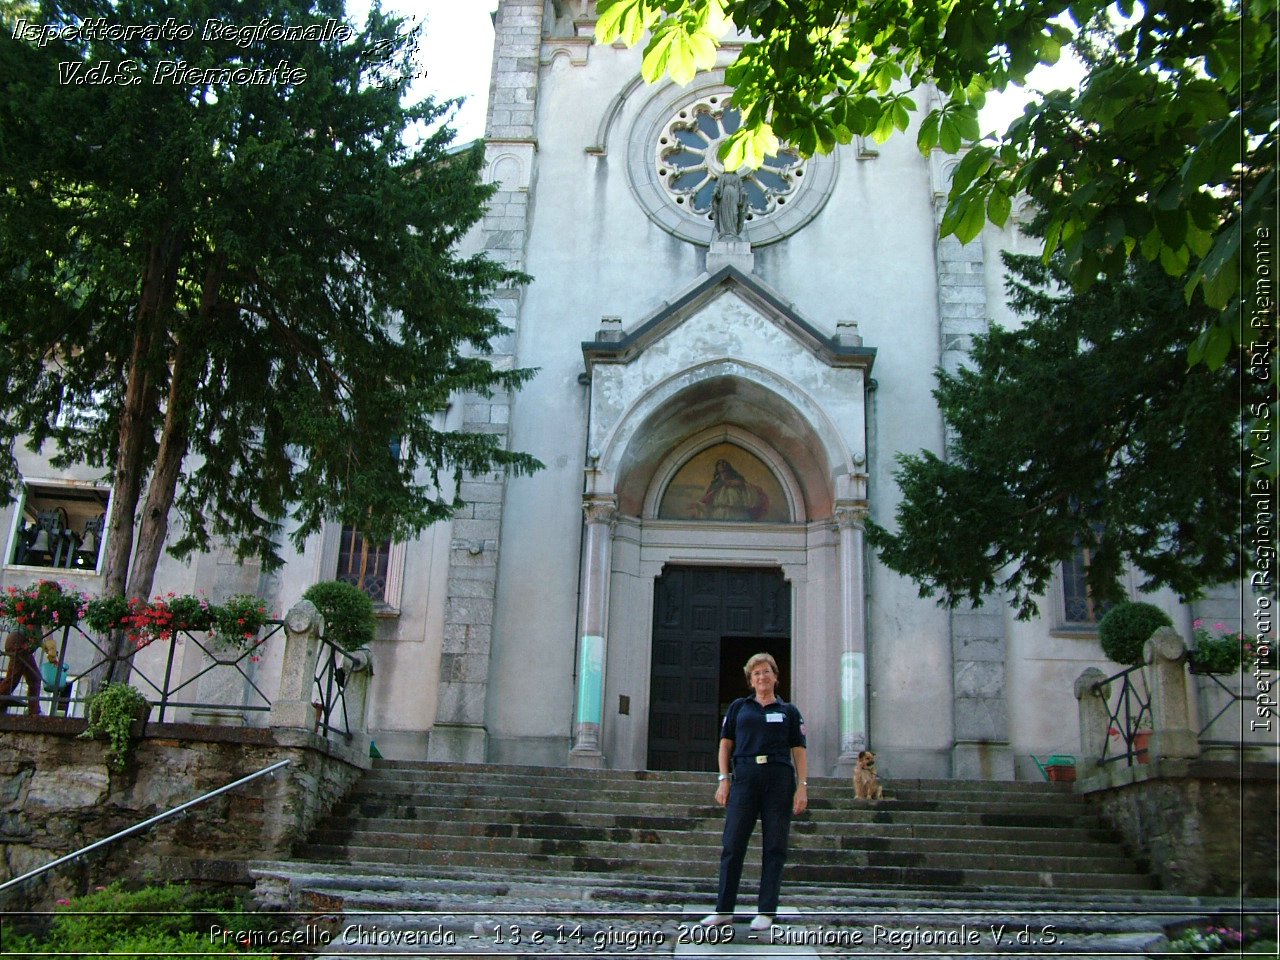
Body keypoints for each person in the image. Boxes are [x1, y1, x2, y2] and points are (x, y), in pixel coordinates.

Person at [702, 652, 807, 931]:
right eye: (756, 673)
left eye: (766, 671)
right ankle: (724, 909)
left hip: (779, 779)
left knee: (775, 845)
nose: (762, 677)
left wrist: (802, 787)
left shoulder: (789, 712)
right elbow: (725, 745)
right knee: (733, 843)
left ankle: (766, 911)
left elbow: (798, 750)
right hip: (745, 778)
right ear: (750, 680)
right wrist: (724, 779)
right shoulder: (739, 707)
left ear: (775, 676)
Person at [693, 458, 770, 521]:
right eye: (720, 472)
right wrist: (699, 505)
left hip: (739, 515)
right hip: (719, 515)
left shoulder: (741, 485)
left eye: (725, 471)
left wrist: (739, 484)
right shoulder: (716, 486)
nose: (723, 475)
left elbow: (753, 499)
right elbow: (707, 501)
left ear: (730, 471)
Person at [0, 628, 43, 715]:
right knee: (13, 679)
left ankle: (35, 711)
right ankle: (34, 711)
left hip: (21, 641)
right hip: (20, 641)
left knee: (35, 678)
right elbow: (45, 631)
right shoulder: (41, 618)